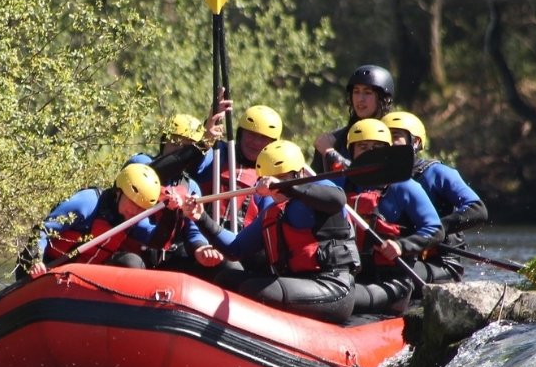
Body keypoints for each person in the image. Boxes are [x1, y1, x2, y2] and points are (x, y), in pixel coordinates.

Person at [166, 140, 360, 324]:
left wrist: (289, 187)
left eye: (283, 178)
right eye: (271, 181)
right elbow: (236, 249)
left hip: (332, 287)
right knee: (226, 278)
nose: (277, 186)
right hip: (297, 284)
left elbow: (337, 200)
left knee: (251, 288)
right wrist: (201, 218)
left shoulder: (320, 189)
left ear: (300, 173)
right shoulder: (273, 213)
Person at [343, 118, 444, 314]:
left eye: (377, 147)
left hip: (393, 283)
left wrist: (400, 246)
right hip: (352, 277)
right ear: (352, 152)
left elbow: (436, 230)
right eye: (363, 147)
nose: (370, 152)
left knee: (340, 297)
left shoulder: (404, 186)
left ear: (387, 152)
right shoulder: (341, 184)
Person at [382, 111, 488, 284]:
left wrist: (434, 231)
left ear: (415, 142)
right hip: (401, 256)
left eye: (396, 136)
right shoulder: (378, 180)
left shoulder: (437, 173)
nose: (389, 143)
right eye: (385, 137)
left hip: (441, 262)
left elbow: (478, 210)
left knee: (392, 274)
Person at [126, 113, 229, 275]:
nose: (179, 151)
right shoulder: (140, 164)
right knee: (132, 262)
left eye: (186, 147)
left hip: (165, 255)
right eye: (175, 143)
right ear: (164, 142)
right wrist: (200, 145)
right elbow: (154, 173)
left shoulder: (190, 186)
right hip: (132, 251)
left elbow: (192, 230)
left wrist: (200, 248)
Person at [24, 163, 166, 279]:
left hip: (82, 279)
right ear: (118, 192)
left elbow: (158, 241)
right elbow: (42, 230)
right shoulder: (87, 203)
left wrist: (173, 211)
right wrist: (36, 260)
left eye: (141, 209)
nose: (136, 212)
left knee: (132, 262)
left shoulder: (133, 219)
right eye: (132, 204)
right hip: (47, 270)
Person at [195, 103, 284, 227]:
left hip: (239, 241)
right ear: (240, 134)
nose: (256, 142)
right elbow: (197, 161)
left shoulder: (273, 175)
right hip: (200, 235)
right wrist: (207, 135)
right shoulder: (219, 152)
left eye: (264, 138)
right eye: (251, 134)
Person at [311, 64, 395, 174]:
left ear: (383, 99)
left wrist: (330, 153)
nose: (360, 99)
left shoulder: (395, 137)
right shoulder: (336, 140)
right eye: (356, 92)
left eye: (367, 92)